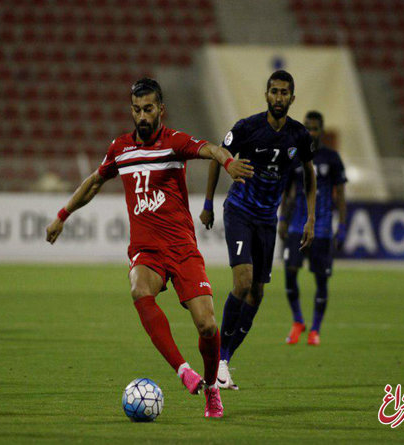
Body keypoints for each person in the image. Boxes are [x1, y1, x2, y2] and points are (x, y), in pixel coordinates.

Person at [45, 78, 254, 418]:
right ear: (132, 110)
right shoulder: (120, 149)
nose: (142, 116)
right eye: (137, 110)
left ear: (161, 110)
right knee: (139, 288)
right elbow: (95, 182)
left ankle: (213, 388)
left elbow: (212, 150)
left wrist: (228, 163)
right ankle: (183, 370)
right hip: (147, 249)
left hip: (182, 247)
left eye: (149, 109)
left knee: (207, 326)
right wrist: (61, 215)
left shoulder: (175, 143)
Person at [199, 70, 316, 390]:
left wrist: (310, 219)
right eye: (274, 92)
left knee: (258, 293)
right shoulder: (246, 129)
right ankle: (219, 359)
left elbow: (309, 174)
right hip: (239, 212)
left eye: (284, 93)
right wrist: (208, 203)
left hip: (266, 220)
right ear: (266, 95)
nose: (279, 98)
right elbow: (214, 157)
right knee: (244, 281)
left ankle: (226, 360)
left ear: (292, 99)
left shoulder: (299, 136)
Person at [278, 111, 347, 346]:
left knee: (321, 280)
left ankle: (315, 329)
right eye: (306, 127)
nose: (310, 132)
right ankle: (298, 321)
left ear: (322, 130)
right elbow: (287, 193)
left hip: (323, 229)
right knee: (290, 272)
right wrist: (282, 221)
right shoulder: (294, 155)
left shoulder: (332, 158)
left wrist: (343, 225)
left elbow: (341, 196)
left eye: (314, 128)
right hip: (297, 225)